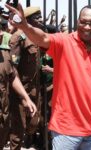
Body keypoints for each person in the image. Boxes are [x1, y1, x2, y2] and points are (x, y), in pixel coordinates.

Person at [6, 3, 91, 150]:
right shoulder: (64, 42)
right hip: (66, 131)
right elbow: (43, 38)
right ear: (78, 21)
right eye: (83, 22)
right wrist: (25, 27)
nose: (87, 27)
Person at [8, 6, 45, 150]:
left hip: (34, 90)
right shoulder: (19, 37)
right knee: (18, 130)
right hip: (20, 92)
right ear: (27, 20)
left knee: (34, 124)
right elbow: (12, 69)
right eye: (37, 18)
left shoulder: (35, 36)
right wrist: (22, 96)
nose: (41, 21)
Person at [0, 19, 37, 150]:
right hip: (14, 96)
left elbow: (12, 74)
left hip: (2, 113)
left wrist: (25, 98)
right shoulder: (17, 38)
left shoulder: (3, 52)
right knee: (18, 128)